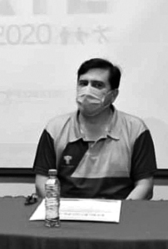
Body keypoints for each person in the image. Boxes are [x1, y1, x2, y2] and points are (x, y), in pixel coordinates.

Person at [33, 58, 157, 199]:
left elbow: (144, 185)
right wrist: (59, 208)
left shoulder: (136, 129)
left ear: (113, 95)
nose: (87, 91)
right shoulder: (55, 128)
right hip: (66, 208)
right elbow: (42, 181)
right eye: (83, 83)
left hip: (120, 209)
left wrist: (125, 209)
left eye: (98, 85)